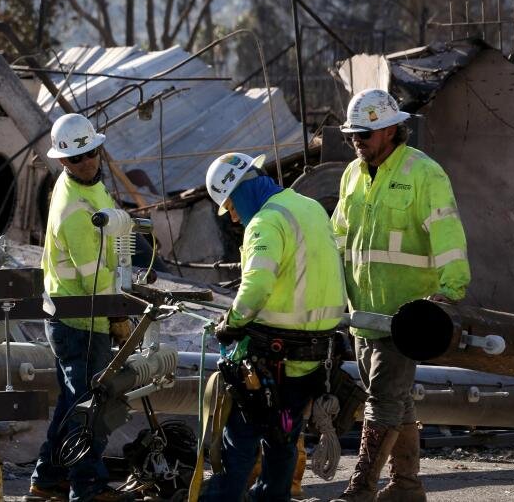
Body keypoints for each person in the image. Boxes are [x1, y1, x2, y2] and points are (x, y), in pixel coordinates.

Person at [330, 89, 470, 502]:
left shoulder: (423, 173)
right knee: (398, 400)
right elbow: (338, 236)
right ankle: (406, 486)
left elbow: (447, 233)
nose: (359, 141)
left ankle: (361, 488)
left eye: (366, 133)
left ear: (391, 129)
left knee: (383, 401)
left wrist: (450, 290)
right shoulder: (352, 175)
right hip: (363, 313)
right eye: (354, 134)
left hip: (408, 314)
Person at [200, 152, 347, 502]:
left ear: (240, 191)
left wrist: (232, 323)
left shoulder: (265, 221)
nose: (233, 216)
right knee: (282, 437)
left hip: (275, 358)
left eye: (231, 206)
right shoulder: (309, 207)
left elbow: (257, 285)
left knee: (240, 443)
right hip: (313, 358)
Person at [28, 113, 130, 502]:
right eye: (77, 158)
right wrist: (119, 315)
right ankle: (88, 488)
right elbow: (94, 279)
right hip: (81, 319)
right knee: (88, 407)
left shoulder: (90, 187)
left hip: (76, 317)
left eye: (91, 153)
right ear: (61, 162)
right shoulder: (74, 207)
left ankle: (47, 481)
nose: (87, 162)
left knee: (74, 403)